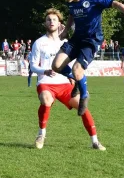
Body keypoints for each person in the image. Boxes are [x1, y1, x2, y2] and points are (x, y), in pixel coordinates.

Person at [52, 0, 124, 115]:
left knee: (77, 69)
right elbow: (71, 15)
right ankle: (76, 80)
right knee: (56, 65)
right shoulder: (71, 2)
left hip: (91, 41)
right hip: (76, 39)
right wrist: (66, 31)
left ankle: (84, 96)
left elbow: (115, 3)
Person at [29, 9, 105, 151]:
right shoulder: (39, 43)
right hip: (46, 82)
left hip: (64, 84)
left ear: (60, 24)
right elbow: (33, 66)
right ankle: (41, 134)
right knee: (46, 99)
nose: (51, 22)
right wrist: (44, 71)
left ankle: (95, 141)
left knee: (83, 107)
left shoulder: (67, 42)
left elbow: (74, 59)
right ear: (45, 23)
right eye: (48, 19)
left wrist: (72, 77)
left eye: (54, 20)